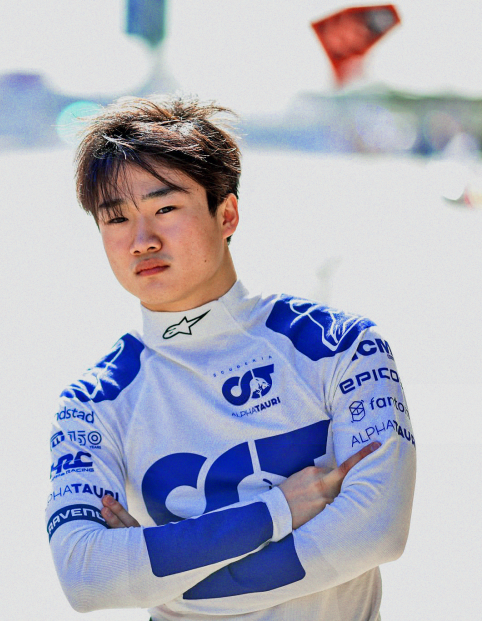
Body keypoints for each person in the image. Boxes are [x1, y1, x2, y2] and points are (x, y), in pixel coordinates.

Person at [46, 95, 416, 620]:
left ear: (227, 214)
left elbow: (377, 532)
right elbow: (86, 578)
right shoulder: (93, 403)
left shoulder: (343, 346)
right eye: (117, 219)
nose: (142, 240)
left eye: (165, 208)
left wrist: (155, 577)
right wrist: (279, 510)